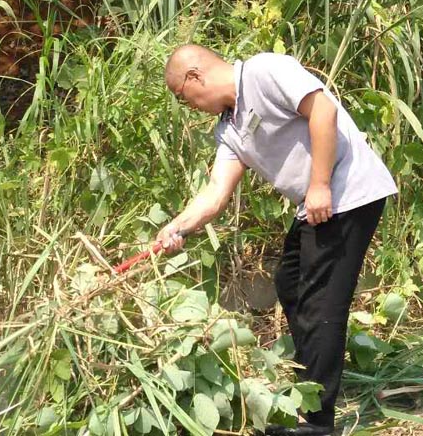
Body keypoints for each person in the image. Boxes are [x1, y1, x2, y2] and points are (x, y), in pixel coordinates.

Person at [156, 45, 397, 436]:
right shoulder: (229, 127)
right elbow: (216, 193)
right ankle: (310, 387)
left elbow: (324, 110)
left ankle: (316, 422)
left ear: (195, 76)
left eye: (183, 97)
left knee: (320, 302)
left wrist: (319, 184)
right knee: (290, 284)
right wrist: (176, 228)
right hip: (317, 204)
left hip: (347, 191)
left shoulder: (264, 72)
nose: (190, 107)